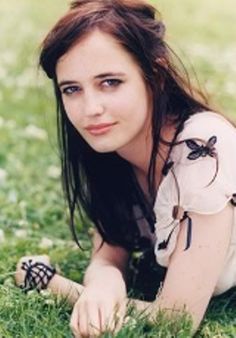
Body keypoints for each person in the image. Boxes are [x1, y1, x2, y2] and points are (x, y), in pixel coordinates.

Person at [15, 0, 236, 336]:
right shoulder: (114, 148)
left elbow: (175, 321)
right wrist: (104, 280)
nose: (90, 108)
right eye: (72, 89)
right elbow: (110, 246)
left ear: (156, 75)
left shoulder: (205, 149)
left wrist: (59, 286)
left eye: (110, 82)